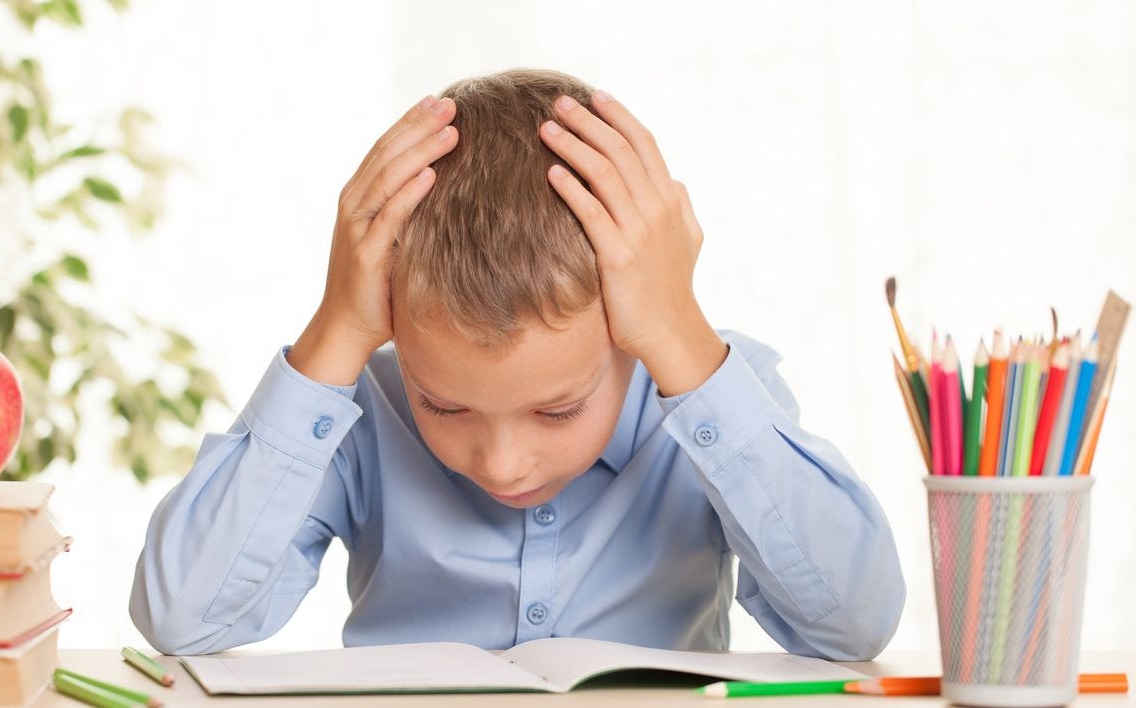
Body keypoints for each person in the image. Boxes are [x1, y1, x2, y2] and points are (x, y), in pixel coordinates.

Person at [129, 68, 905, 660]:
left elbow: (853, 622)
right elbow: (182, 619)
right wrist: (336, 331)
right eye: (444, 405)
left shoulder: (706, 399)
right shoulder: (366, 407)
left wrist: (682, 340)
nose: (500, 463)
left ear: (632, 328)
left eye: (558, 410)